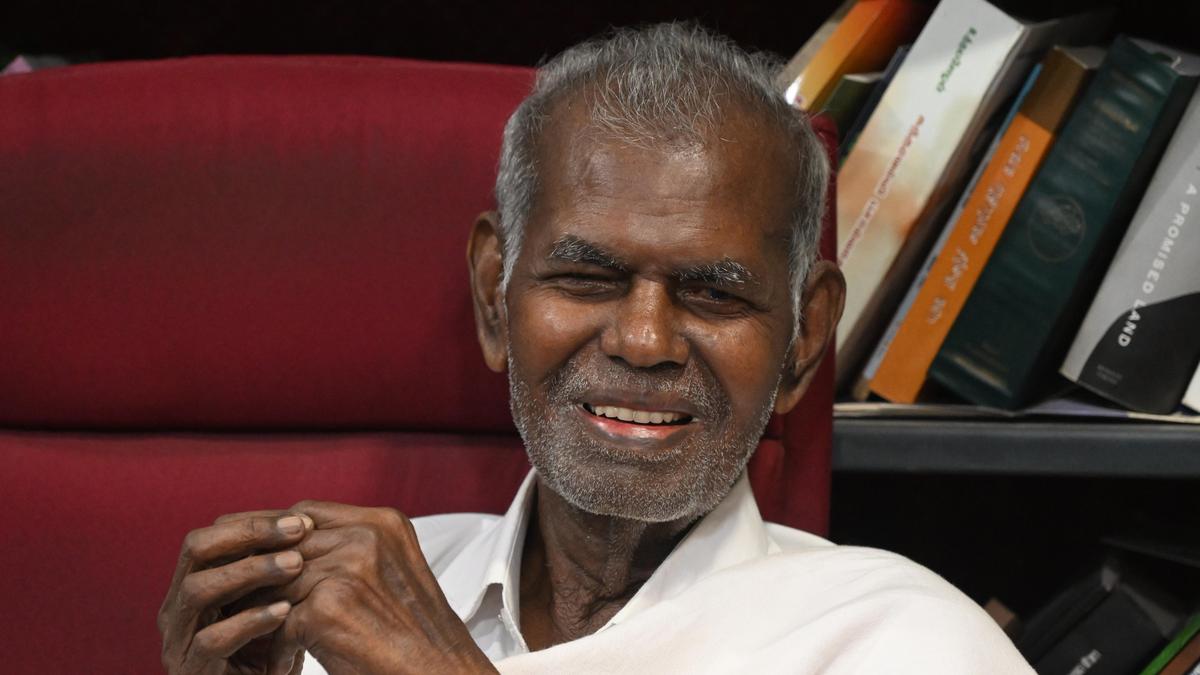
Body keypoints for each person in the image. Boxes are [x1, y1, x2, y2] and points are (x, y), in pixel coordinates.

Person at [157, 23, 1033, 674]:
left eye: (714, 292)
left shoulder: (910, 641)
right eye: (586, 278)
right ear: (495, 297)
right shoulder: (342, 600)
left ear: (804, 337)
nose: (644, 341)